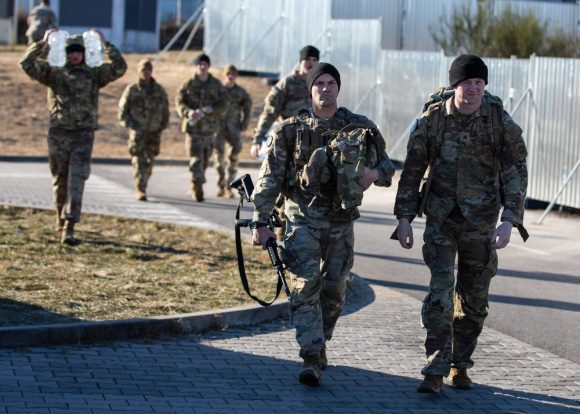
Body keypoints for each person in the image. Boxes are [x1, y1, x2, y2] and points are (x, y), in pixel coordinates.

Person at [251, 63, 395, 387]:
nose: (326, 88)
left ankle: (320, 340)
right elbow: (269, 179)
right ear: (311, 89)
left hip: (341, 222)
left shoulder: (360, 127)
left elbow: (387, 167)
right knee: (305, 285)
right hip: (302, 218)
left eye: (331, 83)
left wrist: (372, 174)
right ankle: (311, 356)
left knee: (335, 289)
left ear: (338, 88)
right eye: (320, 83)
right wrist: (260, 222)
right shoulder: (290, 130)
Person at [394, 54, 528, 394]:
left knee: (474, 303)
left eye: (479, 83)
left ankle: (460, 364)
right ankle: (435, 369)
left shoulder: (498, 120)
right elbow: (412, 171)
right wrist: (404, 218)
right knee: (440, 294)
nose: (473, 89)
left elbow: (515, 172)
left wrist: (509, 221)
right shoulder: (433, 120)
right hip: (441, 219)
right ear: (455, 85)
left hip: (481, 223)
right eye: (466, 83)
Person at [19, 29, 127, 244]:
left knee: (77, 179)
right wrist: (42, 42)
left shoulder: (94, 73)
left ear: (84, 53)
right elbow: (26, 64)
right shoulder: (54, 72)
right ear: (65, 52)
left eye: (78, 51)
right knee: (60, 179)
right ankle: (59, 220)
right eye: (70, 51)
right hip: (59, 133)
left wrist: (106, 43)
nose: (74, 55)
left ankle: (69, 226)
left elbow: (119, 67)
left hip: (83, 135)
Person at [249, 45, 319, 158]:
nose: (311, 63)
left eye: (315, 60)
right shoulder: (287, 83)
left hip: (311, 142)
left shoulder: (319, 84)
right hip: (288, 141)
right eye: (307, 59)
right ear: (301, 61)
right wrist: (257, 140)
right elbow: (270, 112)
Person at [176, 53, 229, 202]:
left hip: (209, 129)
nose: (202, 66)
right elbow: (179, 102)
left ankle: (195, 183)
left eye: (205, 64)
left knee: (205, 160)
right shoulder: (188, 84)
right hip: (193, 129)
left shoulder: (216, 84)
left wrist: (213, 109)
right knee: (196, 158)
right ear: (197, 66)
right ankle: (197, 186)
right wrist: (188, 112)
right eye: (200, 64)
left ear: (208, 66)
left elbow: (225, 103)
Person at [118, 59, 170, 201]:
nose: (146, 73)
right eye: (143, 70)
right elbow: (122, 111)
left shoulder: (158, 90)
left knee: (149, 160)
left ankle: (143, 180)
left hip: (154, 132)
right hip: (138, 132)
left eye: (148, 70)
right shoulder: (132, 89)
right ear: (139, 71)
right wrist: (131, 124)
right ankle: (140, 188)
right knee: (138, 159)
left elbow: (165, 109)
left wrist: (162, 125)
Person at [215, 64, 252, 197]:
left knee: (233, 157)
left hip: (234, 128)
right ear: (224, 75)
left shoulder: (241, 92)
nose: (230, 77)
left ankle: (228, 186)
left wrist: (244, 123)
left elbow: (248, 108)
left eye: (233, 74)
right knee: (219, 157)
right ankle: (220, 185)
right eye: (228, 74)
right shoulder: (217, 90)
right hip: (218, 128)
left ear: (236, 76)